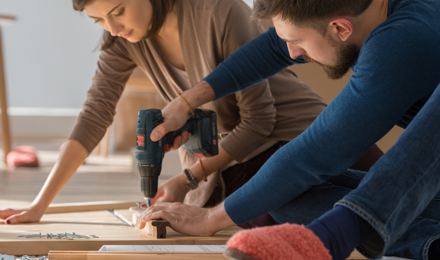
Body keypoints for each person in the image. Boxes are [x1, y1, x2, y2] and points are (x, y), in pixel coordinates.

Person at [0, 0, 382, 227]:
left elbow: (260, 120)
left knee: (391, 196)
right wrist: (39, 206)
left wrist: (188, 177)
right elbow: (94, 115)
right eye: (100, 20)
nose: (113, 28)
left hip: (303, 136)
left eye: (118, 10)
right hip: (230, 164)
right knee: (265, 220)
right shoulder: (122, 41)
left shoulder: (217, 11)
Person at [137, 0, 440, 259]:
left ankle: (340, 233)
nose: (291, 53)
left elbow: (317, 152)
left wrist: (209, 219)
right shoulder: (371, 12)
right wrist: (185, 103)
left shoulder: (403, 40)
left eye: (298, 41)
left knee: (291, 181)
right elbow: (272, 48)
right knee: (285, 198)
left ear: (340, 28)